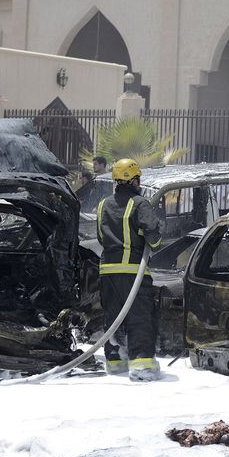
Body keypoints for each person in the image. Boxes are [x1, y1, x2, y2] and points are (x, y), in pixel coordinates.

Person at [97, 158, 163, 381]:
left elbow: (100, 237)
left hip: (107, 272)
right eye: (138, 179)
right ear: (134, 180)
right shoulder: (140, 203)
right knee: (140, 317)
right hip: (133, 271)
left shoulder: (102, 204)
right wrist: (150, 236)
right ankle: (142, 366)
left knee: (113, 316)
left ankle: (115, 363)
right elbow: (153, 239)